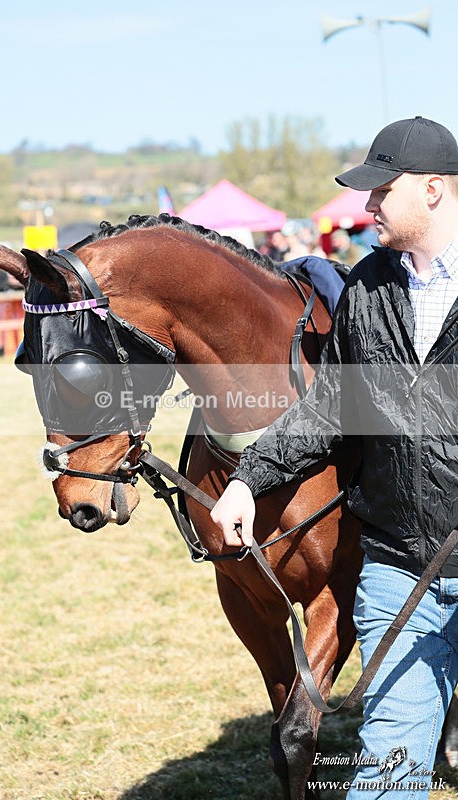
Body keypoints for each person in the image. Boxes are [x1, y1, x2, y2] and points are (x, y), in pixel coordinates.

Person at [211, 116, 458, 797]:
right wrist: (245, 480)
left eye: (381, 190)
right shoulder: (366, 288)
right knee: (385, 778)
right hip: (396, 573)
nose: (365, 205)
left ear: (433, 189)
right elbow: (329, 411)